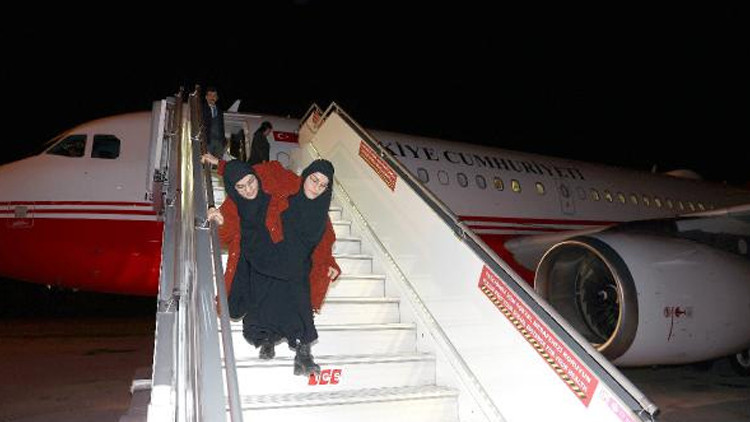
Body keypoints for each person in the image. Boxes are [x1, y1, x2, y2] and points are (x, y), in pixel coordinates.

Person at [204, 154, 340, 375]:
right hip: (263, 254)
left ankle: (303, 355)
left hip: (293, 260)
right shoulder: (274, 190)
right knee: (263, 300)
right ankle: (266, 338)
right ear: (306, 175)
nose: (316, 187)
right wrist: (221, 168)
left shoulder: (310, 202)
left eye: (323, 185)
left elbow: (325, 239)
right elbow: (252, 174)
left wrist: (329, 261)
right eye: (314, 180)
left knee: (300, 302)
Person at [202, 86, 226, 158]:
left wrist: (223, 141)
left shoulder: (220, 110)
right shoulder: (202, 108)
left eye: (214, 95)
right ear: (206, 97)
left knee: (218, 161)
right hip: (208, 141)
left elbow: (221, 126)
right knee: (207, 161)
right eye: (210, 95)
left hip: (219, 142)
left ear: (217, 98)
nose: (212, 97)